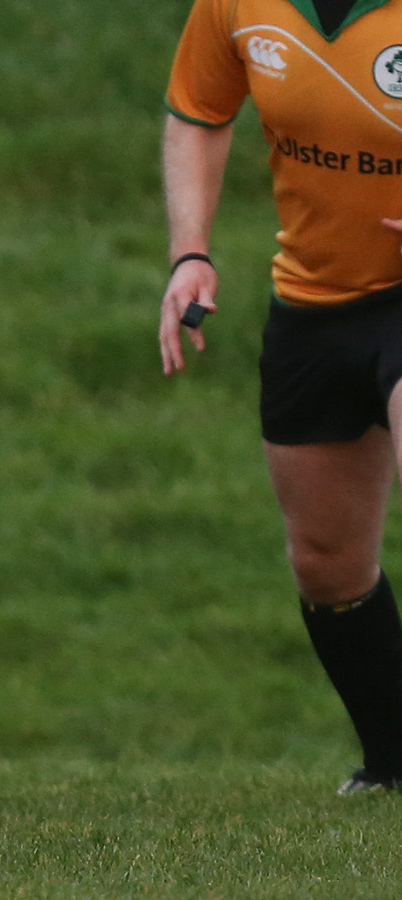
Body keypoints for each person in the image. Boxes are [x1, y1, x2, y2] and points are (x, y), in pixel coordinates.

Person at [160, 0, 402, 793]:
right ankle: (393, 762)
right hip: (315, 306)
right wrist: (190, 252)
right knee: (328, 564)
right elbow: (199, 112)